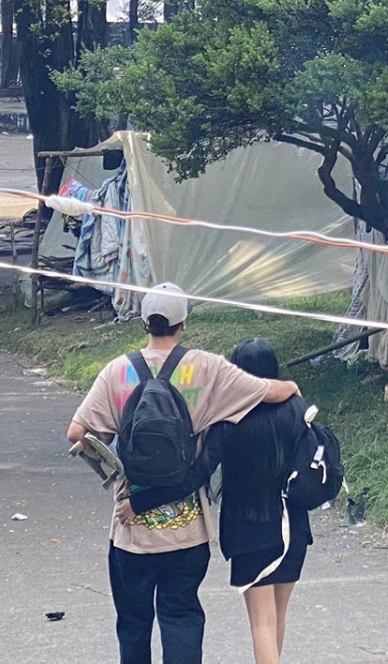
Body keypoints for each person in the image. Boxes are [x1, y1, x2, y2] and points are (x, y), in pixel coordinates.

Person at [67, 283, 300, 664]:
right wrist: (291, 386)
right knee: (181, 616)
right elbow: (267, 392)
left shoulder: (117, 372)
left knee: (133, 622)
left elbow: (77, 434)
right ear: (183, 324)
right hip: (188, 532)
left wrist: (115, 470)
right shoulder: (206, 367)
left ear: (144, 322)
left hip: (130, 530)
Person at [191, 339, 312, 664]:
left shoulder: (230, 416)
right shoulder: (298, 409)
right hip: (293, 525)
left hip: (248, 528)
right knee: (277, 617)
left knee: (262, 623)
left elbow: (202, 469)